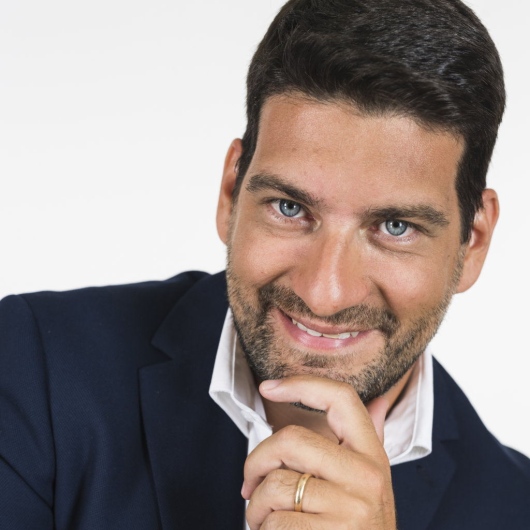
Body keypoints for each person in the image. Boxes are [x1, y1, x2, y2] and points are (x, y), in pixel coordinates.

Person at [1, 0, 529, 528]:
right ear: (231, 193)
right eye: (290, 208)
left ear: (473, 243)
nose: (324, 293)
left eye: (395, 227)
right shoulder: (34, 369)